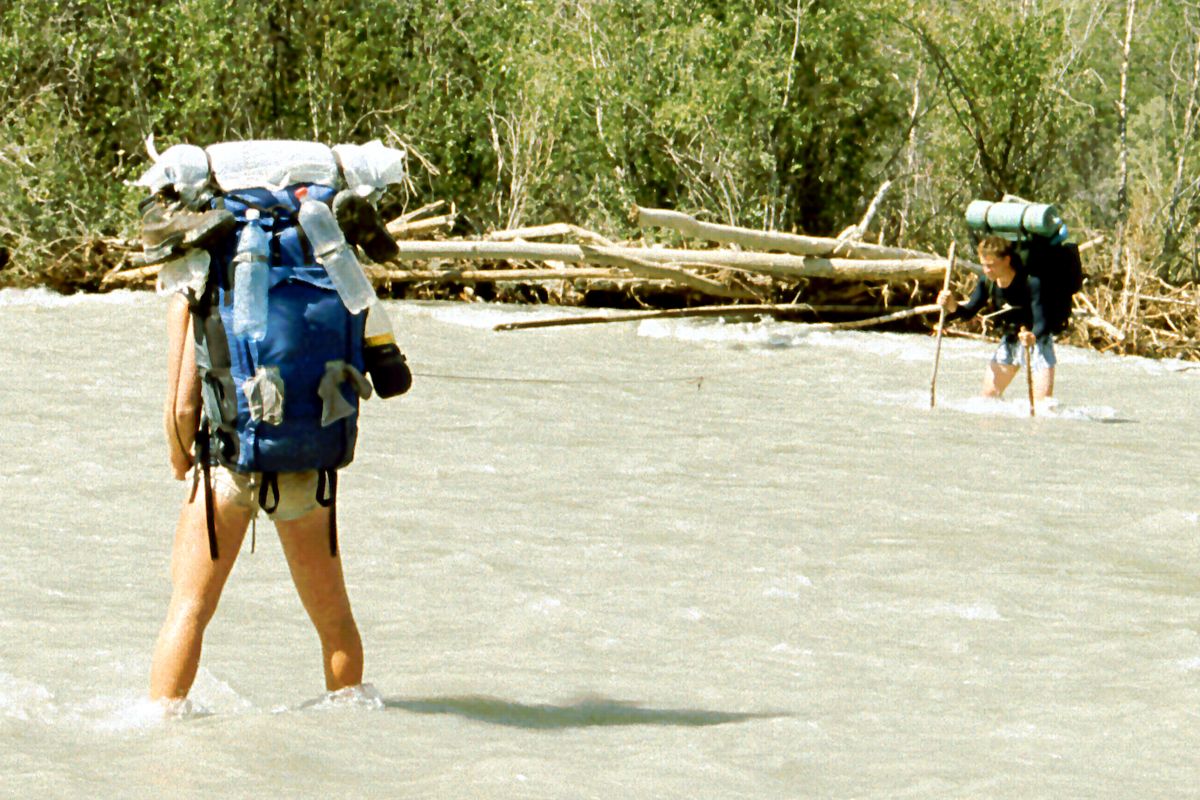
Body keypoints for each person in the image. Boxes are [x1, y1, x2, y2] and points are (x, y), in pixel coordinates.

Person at [149, 291, 365, 704]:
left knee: (189, 609)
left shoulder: (201, 287)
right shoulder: (321, 275)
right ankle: (350, 734)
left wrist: (180, 458)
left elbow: (181, 408)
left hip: (227, 467)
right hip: (304, 466)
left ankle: (163, 739)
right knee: (335, 621)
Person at [936, 235, 1056, 400]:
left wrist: (1032, 336)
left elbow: (1042, 321)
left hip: (1037, 343)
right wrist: (951, 305)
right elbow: (968, 312)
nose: (986, 270)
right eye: (984, 265)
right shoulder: (987, 282)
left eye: (991, 265)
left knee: (1043, 405)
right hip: (1010, 340)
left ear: (1006, 260)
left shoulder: (1031, 282)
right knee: (988, 398)